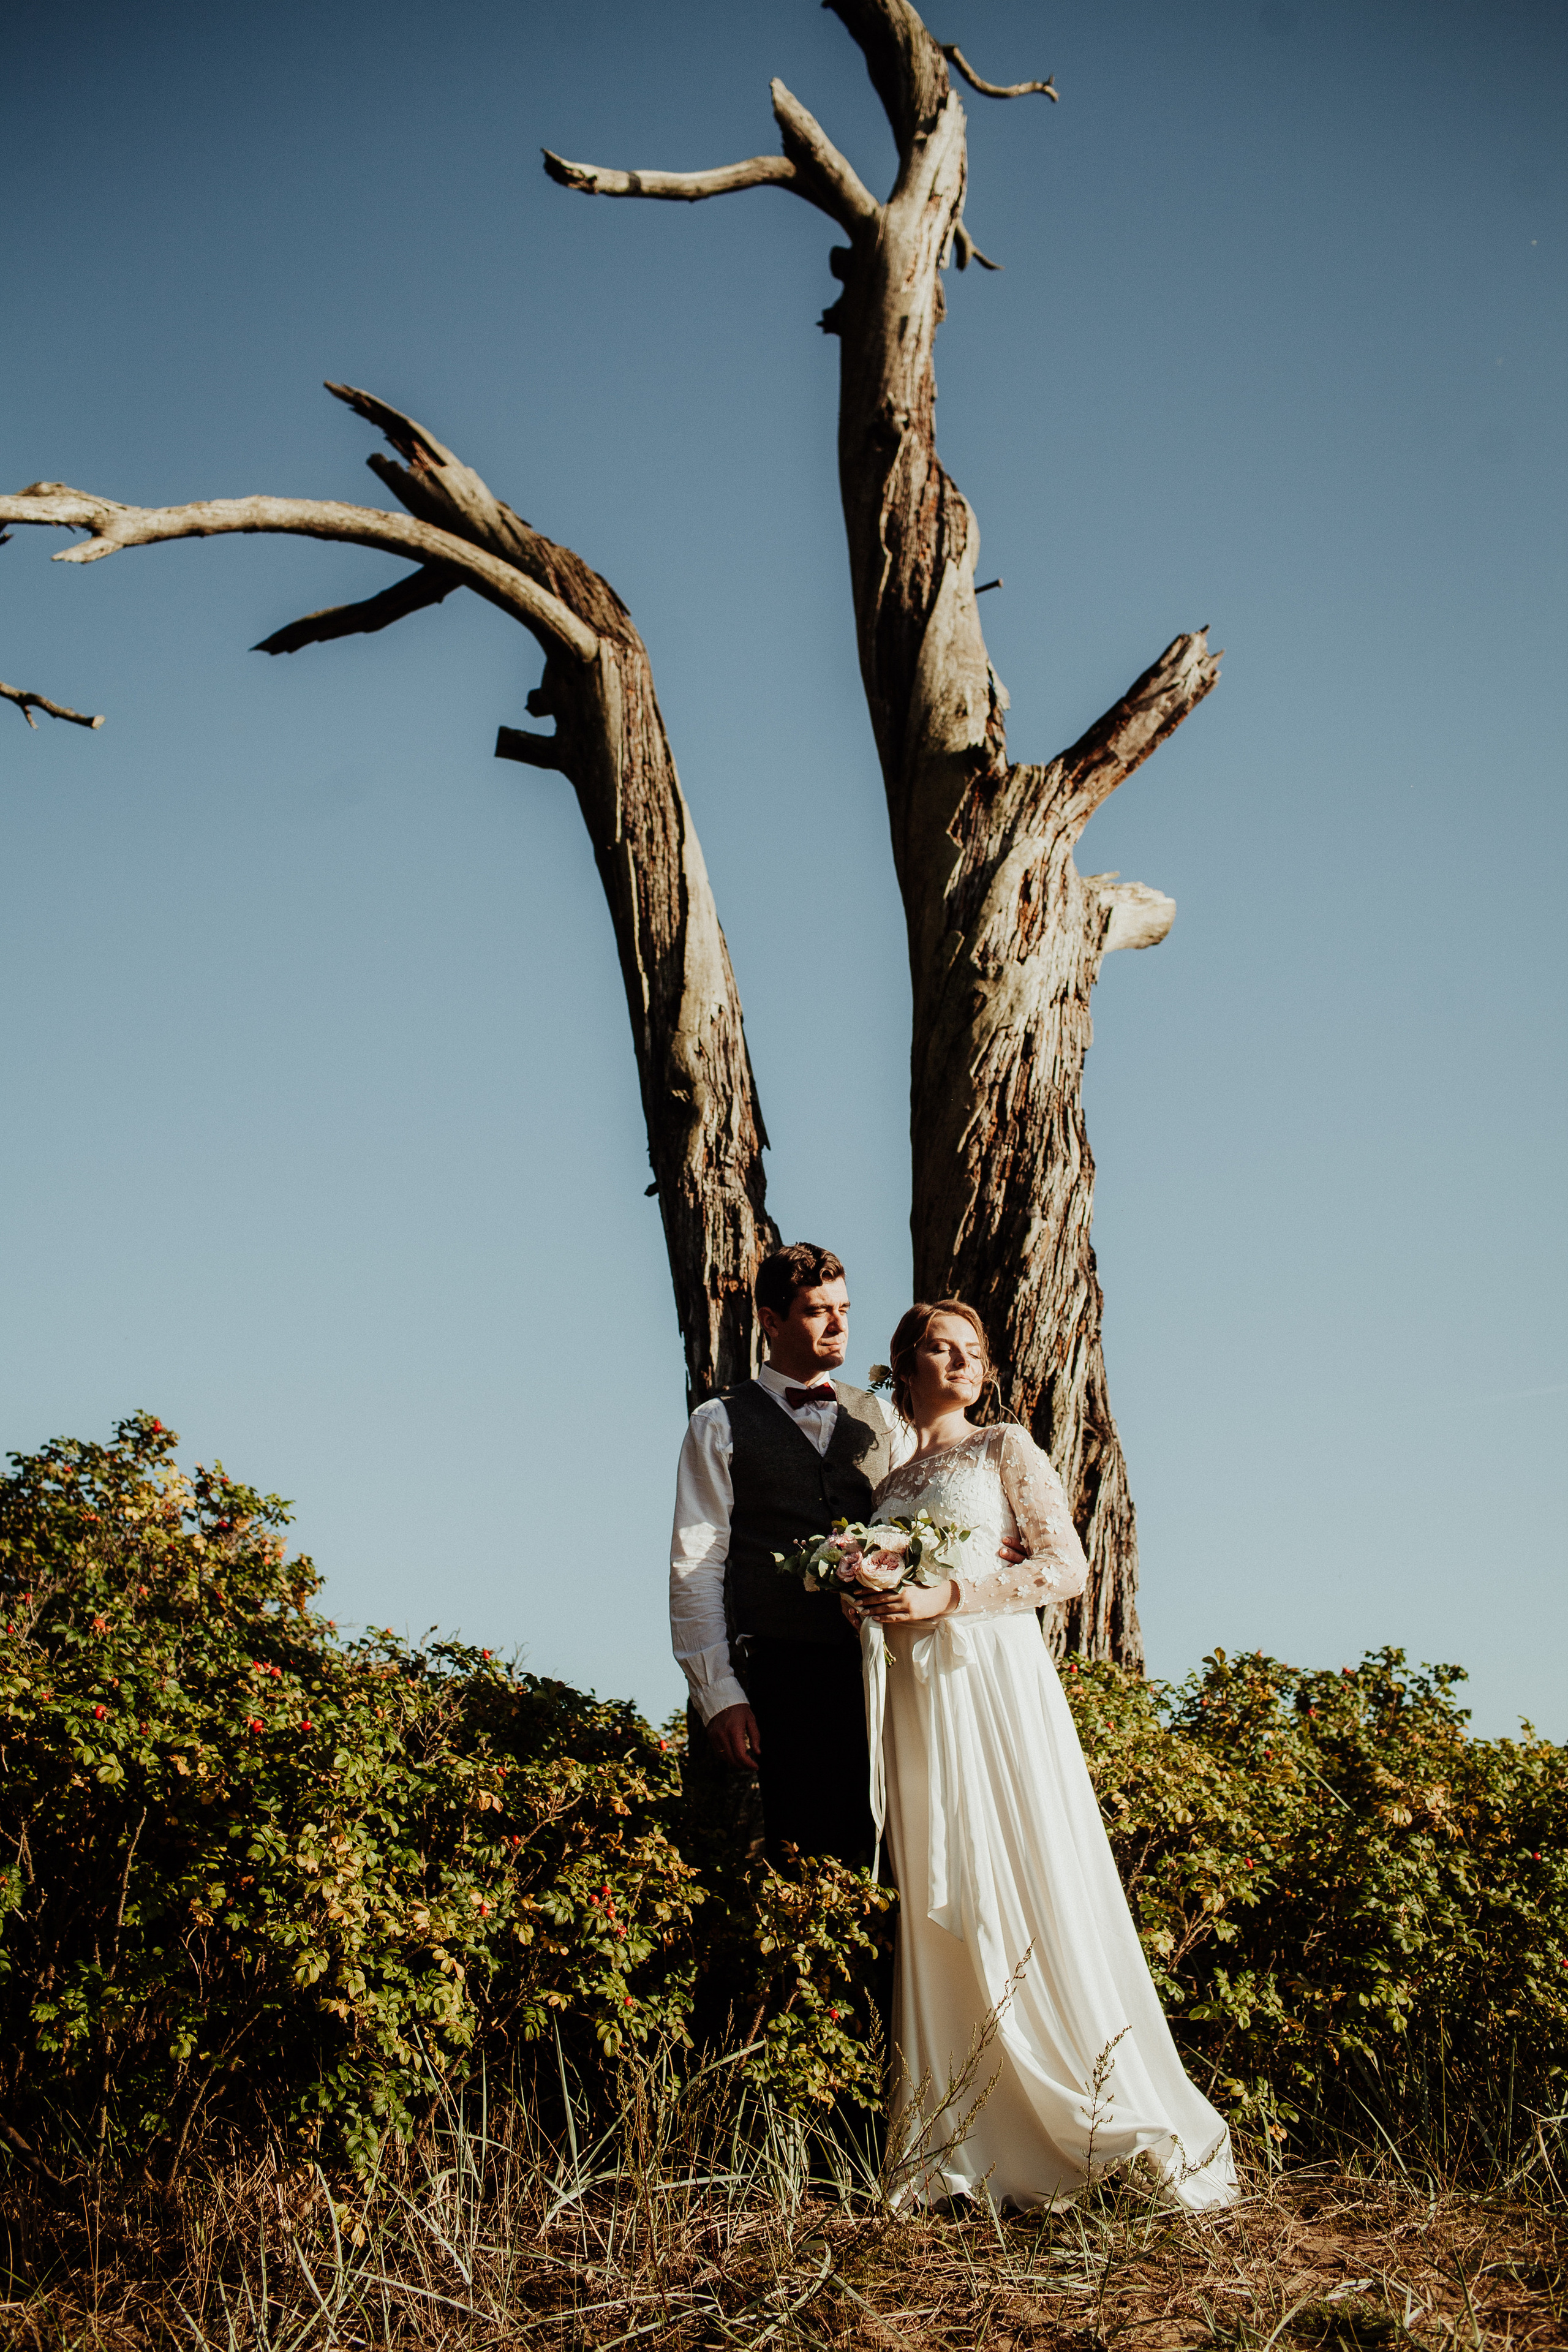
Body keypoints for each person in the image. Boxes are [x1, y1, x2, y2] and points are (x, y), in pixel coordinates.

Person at [847, 1298, 1238, 2214]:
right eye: (939, 1350)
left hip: (989, 1676)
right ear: (902, 1367)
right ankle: (964, 2129)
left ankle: (1083, 2104)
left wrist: (949, 1594)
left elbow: (1065, 1569)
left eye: (972, 1351)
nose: (961, 1363)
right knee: (940, 1890)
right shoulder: (884, 1484)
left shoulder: (1004, 1448)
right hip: (914, 1696)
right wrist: (862, 1594)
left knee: (1012, 1870)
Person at [668, 1243, 901, 1865]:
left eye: (844, 1308)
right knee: (810, 1858)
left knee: (901, 1852)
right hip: (785, 1673)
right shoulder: (719, 1422)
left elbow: (923, 1519)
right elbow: (697, 1563)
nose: (839, 1323)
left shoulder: (881, 1417)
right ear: (771, 1321)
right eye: (816, 1310)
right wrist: (720, 1693)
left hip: (889, 1667)